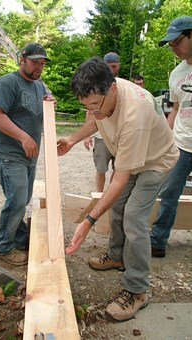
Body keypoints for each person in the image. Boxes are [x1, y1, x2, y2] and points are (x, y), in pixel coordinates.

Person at [57, 57, 179, 321]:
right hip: (134, 154)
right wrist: (72, 139)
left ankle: (137, 290)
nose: (91, 111)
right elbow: (98, 120)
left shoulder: (135, 115)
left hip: (156, 160)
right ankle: (117, 257)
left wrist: (88, 221)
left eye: (94, 105)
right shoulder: (105, 91)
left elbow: (120, 179)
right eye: (85, 105)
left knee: (134, 216)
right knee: (118, 205)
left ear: (112, 89)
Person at [0, 42, 55, 266]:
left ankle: (18, 238)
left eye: (42, 63)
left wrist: (50, 104)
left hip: (29, 156)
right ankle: (4, 247)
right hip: (10, 154)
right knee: (16, 201)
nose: (39, 67)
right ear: (22, 60)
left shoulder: (39, 86)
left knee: (23, 199)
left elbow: (44, 105)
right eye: (35, 62)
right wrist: (23, 137)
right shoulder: (8, 83)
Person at [150, 16, 192, 258]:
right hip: (182, 145)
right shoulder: (176, 74)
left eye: (177, 42)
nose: (174, 49)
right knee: (168, 195)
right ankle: (157, 242)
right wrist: (166, 138)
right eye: (170, 45)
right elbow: (175, 108)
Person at [84, 52, 120, 191]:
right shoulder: (96, 85)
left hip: (118, 136)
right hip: (100, 136)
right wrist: (87, 135)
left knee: (118, 168)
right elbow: (90, 111)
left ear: (118, 66)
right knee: (101, 168)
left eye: (114, 66)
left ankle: (111, 194)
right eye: (108, 66)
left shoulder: (121, 86)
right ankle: (99, 195)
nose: (111, 69)